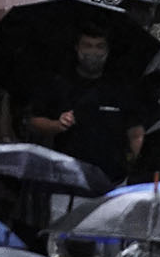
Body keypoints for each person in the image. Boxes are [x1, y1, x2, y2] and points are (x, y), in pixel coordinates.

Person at [28, 28, 145, 186]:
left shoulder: (121, 87)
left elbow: (136, 134)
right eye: (88, 45)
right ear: (77, 47)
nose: (93, 52)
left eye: (99, 46)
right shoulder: (58, 84)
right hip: (66, 181)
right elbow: (34, 121)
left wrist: (143, 168)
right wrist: (57, 125)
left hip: (113, 181)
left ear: (108, 50)